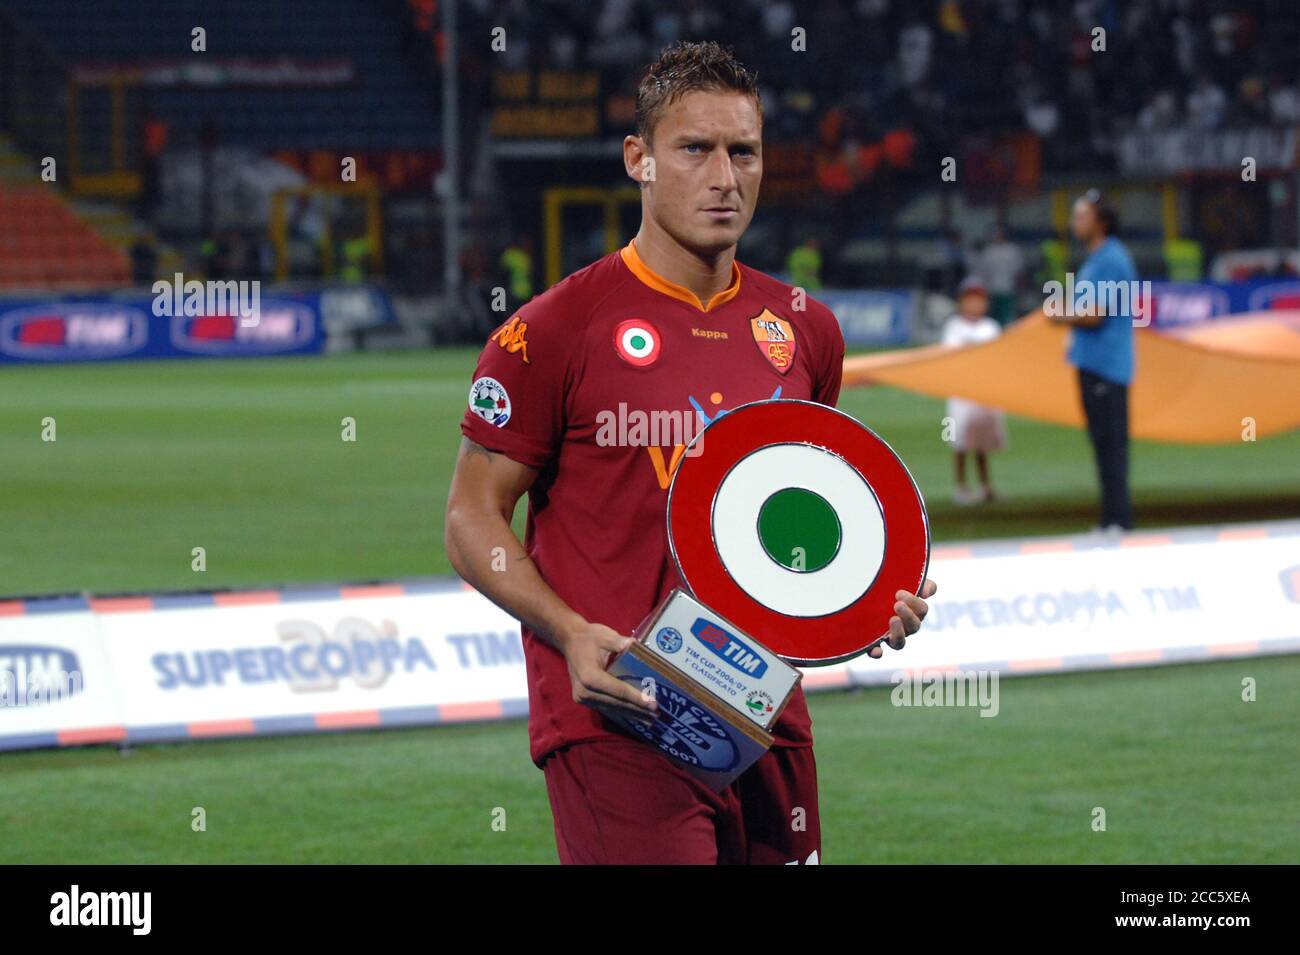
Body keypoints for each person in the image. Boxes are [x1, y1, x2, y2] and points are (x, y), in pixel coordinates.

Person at [445, 41, 937, 865]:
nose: (724, 176)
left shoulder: (804, 330)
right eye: (694, 149)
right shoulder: (556, 329)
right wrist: (568, 631)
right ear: (639, 158)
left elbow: (801, 532)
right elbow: (470, 516)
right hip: (621, 712)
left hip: (765, 714)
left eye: (742, 151)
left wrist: (864, 605)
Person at [1049, 189, 1137, 532]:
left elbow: (1096, 314)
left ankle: (1119, 520)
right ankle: (1110, 519)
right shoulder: (1096, 259)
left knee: (1111, 445)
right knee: (1103, 444)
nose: (1074, 223)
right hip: (1093, 362)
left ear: (1100, 221)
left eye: (1080, 216)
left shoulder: (1111, 259)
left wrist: (1061, 316)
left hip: (1107, 365)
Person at [942, 277, 1007, 504]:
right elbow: (951, 354)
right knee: (959, 441)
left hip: (984, 391)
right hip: (961, 393)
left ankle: (986, 486)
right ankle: (960, 487)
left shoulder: (990, 327)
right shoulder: (954, 326)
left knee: (983, 443)